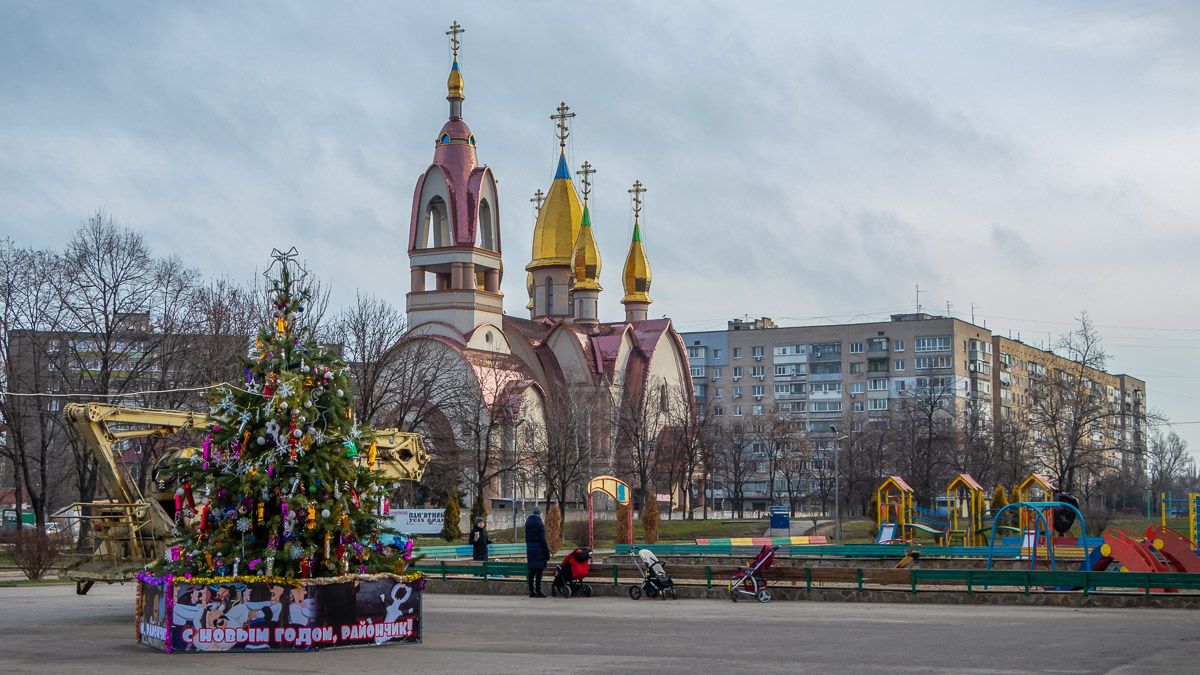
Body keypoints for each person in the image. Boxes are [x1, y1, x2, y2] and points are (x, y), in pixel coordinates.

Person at [524, 507, 550, 597]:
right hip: (539, 550)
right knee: (539, 572)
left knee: (532, 572)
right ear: (539, 515)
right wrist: (547, 552)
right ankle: (538, 591)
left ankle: (531, 591)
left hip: (530, 550)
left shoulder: (527, 523)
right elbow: (543, 540)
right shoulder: (539, 524)